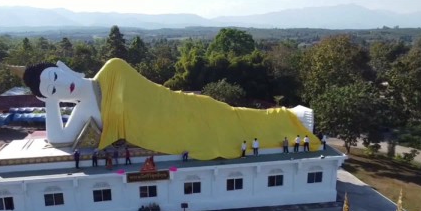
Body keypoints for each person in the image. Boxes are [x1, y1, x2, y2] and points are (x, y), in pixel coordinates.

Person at [22, 58, 320, 160]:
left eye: (55, 78)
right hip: (165, 136)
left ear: (62, 67)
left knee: (228, 115)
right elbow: (60, 140)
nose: (62, 88)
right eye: (53, 92)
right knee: (222, 132)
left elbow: (151, 93)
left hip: (177, 106)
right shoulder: (83, 112)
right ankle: (290, 121)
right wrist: (49, 105)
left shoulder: (113, 68)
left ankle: (289, 117)